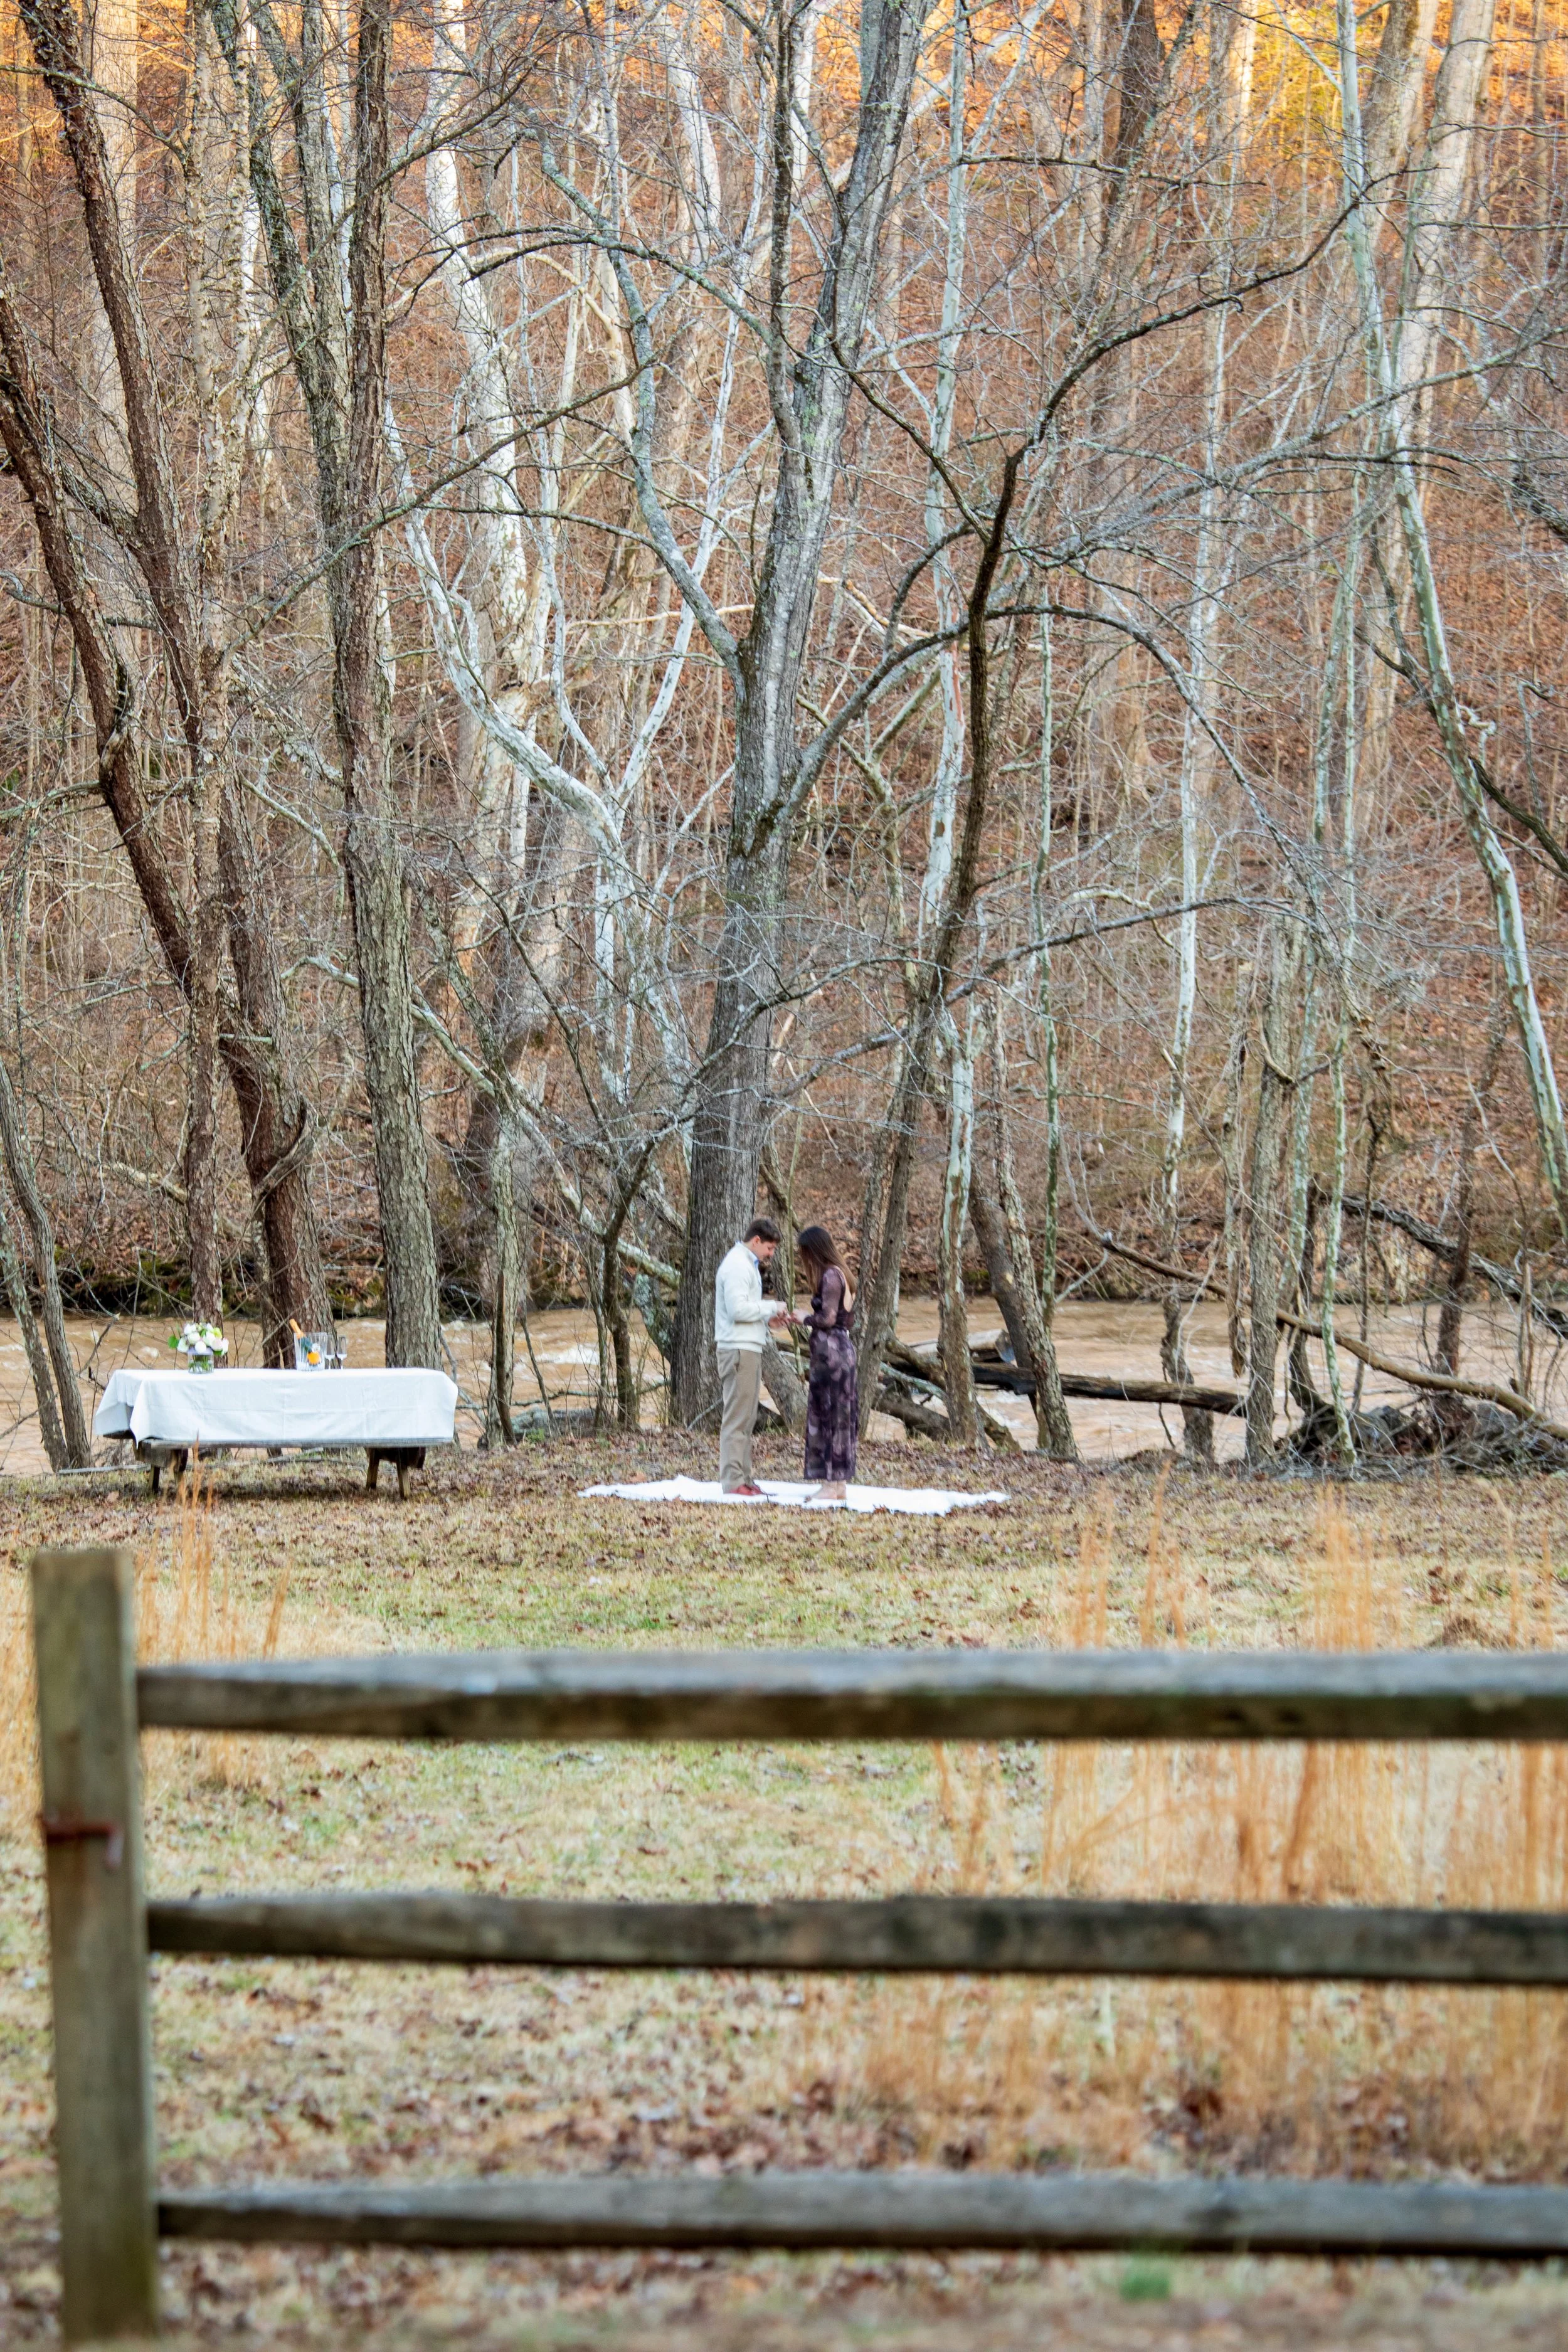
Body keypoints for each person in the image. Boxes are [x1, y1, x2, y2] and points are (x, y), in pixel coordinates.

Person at [773, 1224, 857, 1502]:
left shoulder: (831, 1275)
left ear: (815, 1252)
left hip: (831, 1354)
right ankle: (839, 1483)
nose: (804, 1260)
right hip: (842, 1350)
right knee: (840, 1417)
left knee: (829, 1416)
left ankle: (831, 1484)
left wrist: (803, 1318)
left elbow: (828, 1319)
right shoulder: (844, 1275)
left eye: (805, 1254)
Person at [714, 1217, 781, 1495]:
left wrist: (769, 1320)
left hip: (749, 1347)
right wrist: (771, 1308)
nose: (771, 1254)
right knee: (737, 1417)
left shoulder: (747, 1265)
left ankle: (745, 1479)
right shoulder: (737, 1265)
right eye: (769, 1248)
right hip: (738, 1349)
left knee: (747, 1417)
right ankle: (733, 1481)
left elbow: (745, 1309)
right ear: (756, 1241)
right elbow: (737, 1311)